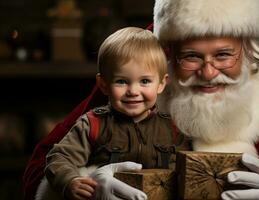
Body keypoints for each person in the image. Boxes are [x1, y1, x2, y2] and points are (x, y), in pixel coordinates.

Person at [24, 0, 259, 200]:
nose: (209, 73)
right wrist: (84, 186)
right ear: (169, 56)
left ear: (248, 51)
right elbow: (36, 174)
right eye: (192, 57)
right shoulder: (133, 96)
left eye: (224, 55)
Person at [36, 26, 176, 200]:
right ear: (103, 84)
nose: (133, 91)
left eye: (145, 81)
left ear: (161, 84)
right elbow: (60, 157)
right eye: (121, 81)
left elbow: (186, 168)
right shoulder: (93, 124)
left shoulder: (171, 128)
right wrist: (70, 181)